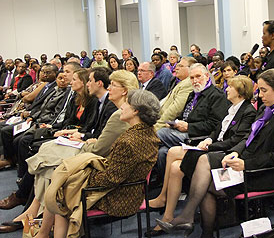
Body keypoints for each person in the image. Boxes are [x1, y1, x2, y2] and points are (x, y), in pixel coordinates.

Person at [156, 69, 274, 238]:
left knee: (205, 180)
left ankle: (192, 221)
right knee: (204, 175)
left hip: (268, 173)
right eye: (259, 90)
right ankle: (197, 226)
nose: (260, 95)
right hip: (250, 160)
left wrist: (246, 164)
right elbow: (249, 137)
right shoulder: (266, 108)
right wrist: (236, 153)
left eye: (264, 90)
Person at [6, 70, 138, 229]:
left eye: (113, 85)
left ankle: (34, 212)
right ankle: (34, 210)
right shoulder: (113, 108)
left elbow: (99, 147)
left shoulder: (119, 113)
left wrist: (86, 139)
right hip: (95, 154)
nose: (109, 88)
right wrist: (87, 138)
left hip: (98, 162)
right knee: (48, 154)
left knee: (51, 164)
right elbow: (99, 136)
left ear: (124, 90)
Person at [32, 89, 160, 238]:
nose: (122, 107)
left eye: (127, 103)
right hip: (134, 191)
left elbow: (111, 179)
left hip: (119, 198)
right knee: (65, 184)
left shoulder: (129, 141)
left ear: (135, 111)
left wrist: (83, 177)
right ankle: (47, 233)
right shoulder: (149, 133)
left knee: (61, 192)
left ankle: (46, 234)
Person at [150, 76, 256, 235]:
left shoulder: (248, 111)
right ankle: (169, 212)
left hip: (223, 154)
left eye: (230, 87)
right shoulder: (231, 107)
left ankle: (172, 209)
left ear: (240, 92)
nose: (226, 89)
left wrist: (210, 146)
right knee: (174, 166)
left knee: (172, 153)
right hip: (214, 148)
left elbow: (236, 140)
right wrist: (209, 139)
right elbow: (217, 131)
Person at [155, 63, 228, 179]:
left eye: (198, 76)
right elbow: (186, 116)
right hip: (183, 131)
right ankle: (168, 186)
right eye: (192, 78)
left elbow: (215, 125)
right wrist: (175, 124)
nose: (195, 81)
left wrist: (189, 127)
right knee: (162, 152)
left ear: (207, 76)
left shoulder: (216, 96)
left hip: (198, 137)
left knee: (160, 133)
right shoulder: (192, 94)